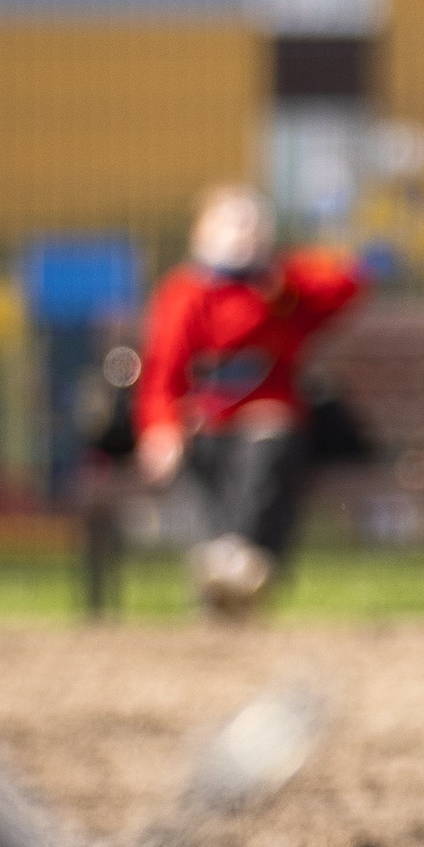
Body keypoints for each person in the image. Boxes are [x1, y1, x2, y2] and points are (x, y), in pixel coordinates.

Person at [137, 184, 365, 614]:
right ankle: (223, 566)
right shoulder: (185, 292)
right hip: (205, 421)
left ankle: (239, 562)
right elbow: (163, 372)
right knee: (190, 459)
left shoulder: (279, 289)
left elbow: (347, 283)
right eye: (231, 223)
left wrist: (282, 273)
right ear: (202, 232)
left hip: (269, 417)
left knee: (268, 446)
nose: (243, 233)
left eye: (253, 224)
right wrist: (161, 428)